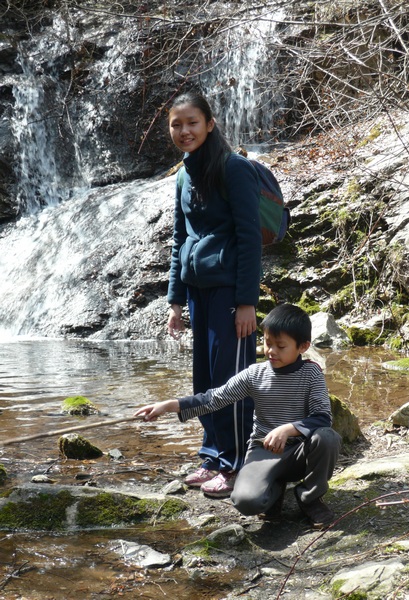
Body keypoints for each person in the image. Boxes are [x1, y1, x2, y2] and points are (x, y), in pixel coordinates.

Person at [135, 303, 342, 529]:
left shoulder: (311, 374)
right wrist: (168, 406)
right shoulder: (255, 374)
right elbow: (214, 398)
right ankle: (273, 489)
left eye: (280, 346)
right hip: (264, 451)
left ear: (302, 346)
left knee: (327, 437)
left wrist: (287, 429)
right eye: (267, 343)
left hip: (301, 452)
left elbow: (322, 418)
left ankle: (310, 499)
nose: (271, 351)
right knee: (246, 501)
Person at [165, 90, 262, 498]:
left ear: (210, 123)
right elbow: (179, 237)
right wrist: (174, 300)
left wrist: (247, 302)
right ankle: (212, 455)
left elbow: (249, 237)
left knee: (231, 380)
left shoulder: (233, 168)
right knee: (204, 377)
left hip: (228, 292)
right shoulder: (184, 175)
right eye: (176, 124)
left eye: (192, 122)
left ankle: (237, 461)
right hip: (198, 294)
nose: (184, 131)